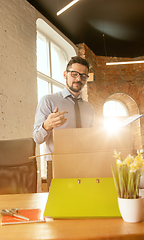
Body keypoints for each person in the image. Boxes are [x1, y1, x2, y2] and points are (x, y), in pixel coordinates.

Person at [33, 56, 95, 189]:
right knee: (58, 206)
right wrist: (47, 125)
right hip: (57, 163)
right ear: (65, 74)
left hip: (85, 163)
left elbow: (92, 139)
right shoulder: (48, 101)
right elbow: (37, 138)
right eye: (74, 74)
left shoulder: (89, 108)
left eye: (83, 76)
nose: (78, 79)